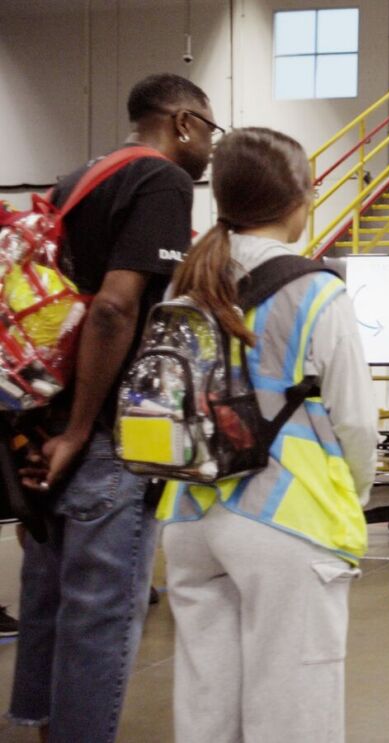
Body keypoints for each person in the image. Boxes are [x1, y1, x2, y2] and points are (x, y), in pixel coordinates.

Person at [7, 73, 216, 741]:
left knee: (51, 598)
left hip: (45, 426)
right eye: (210, 129)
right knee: (101, 612)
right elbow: (114, 307)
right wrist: (78, 430)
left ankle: (39, 723)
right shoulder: (162, 180)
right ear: (184, 122)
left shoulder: (77, 179)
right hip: (103, 435)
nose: (210, 146)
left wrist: (48, 430)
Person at [158, 127, 377, 743]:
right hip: (286, 517)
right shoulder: (316, 290)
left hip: (189, 512)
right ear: (301, 197)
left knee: (207, 707)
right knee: (293, 707)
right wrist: (350, 496)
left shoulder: (191, 283)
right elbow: (356, 420)